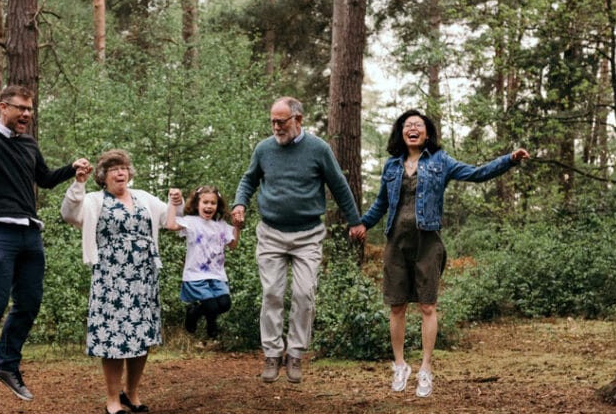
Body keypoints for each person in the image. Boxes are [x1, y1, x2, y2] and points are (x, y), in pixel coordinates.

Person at [357, 109, 530, 398]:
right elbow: (380, 204)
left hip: (428, 242)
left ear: (427, 133)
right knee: (397, 305)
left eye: (418, 125)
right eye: (407, 125)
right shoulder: (391, 166)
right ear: (401, 132)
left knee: (427, 306)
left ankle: (425, 368)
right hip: (396, 242)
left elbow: (477, 174)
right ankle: (399, 364)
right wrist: (362, 224)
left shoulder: (441, 161)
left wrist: (508, 161)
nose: (413, 128)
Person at [0, 48, 91, 406]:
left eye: (30, 110)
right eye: (21, 108)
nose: (27, 115)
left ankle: (7, 365)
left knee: (29, 303)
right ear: (3, 107)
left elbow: (46, 180)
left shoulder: (29, 145)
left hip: (29, 234)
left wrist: (72, 169)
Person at [231, 97, 366, 384]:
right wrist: (239, 203)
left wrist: (355, 221)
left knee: (304, 294)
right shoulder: (264, 149)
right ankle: (271, 353)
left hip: (307, 234)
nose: (276, 127)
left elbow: (339, 185)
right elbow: (248, 180)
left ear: (298, 120)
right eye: (273, 122)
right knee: (272, 294)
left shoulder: (318, 149)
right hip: (271, 233)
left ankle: (294, 354)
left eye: (282, 121)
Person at [60, 149, 183, 414]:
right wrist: (78, 183)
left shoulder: (143, 198)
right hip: (111, 276)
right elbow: (70, 213)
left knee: (141, 334)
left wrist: (177, 201)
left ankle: (132, 393)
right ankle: (113, 399)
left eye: (124, 168)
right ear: (103, 176)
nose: (120, 173)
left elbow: (170, 219)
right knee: (114, 336)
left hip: (143, 275)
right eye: (114, 169)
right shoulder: (94, 200)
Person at [165, 185, 241, 337]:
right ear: (197, 204)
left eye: (213, 203)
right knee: (212, 306)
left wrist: (237, 227)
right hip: (195, 275)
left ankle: (197, 312)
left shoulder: (221, 225)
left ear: (217, 206)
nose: (209, 206)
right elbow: (171, 225)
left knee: (225, 304)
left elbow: (233, 244)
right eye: (205, 202)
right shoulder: (191, 222)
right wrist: (173, 204)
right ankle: (201, 320)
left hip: (217, 275)